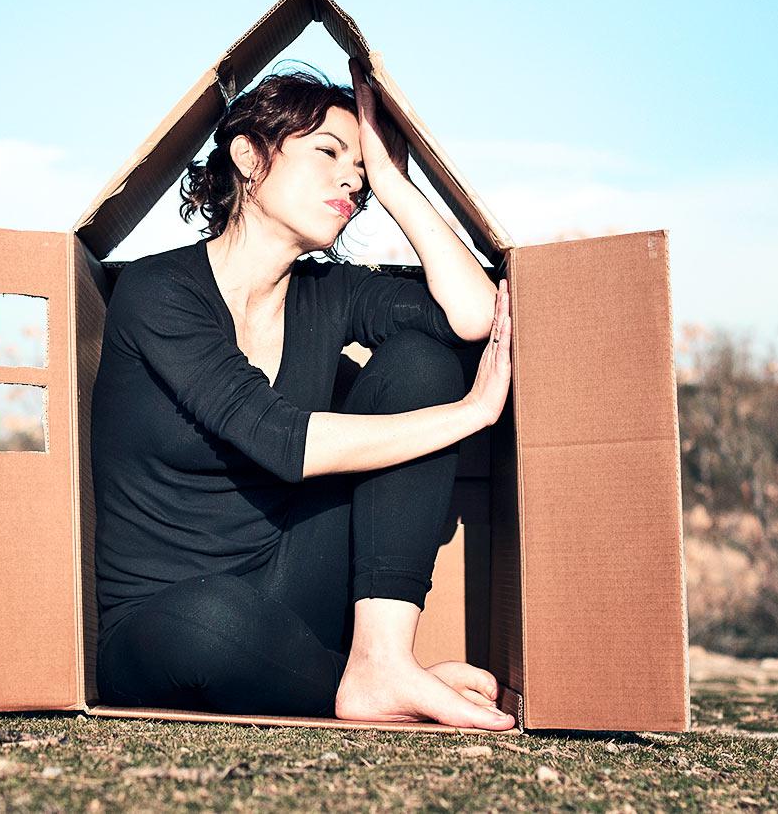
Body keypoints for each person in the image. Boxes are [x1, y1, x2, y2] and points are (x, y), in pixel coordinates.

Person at [91, 58, 515, 730]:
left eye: (361, 169)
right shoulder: (156, 292)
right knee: (217, 621)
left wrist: (397, 182)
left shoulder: (330, 292)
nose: (353, 178)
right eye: (329, 151)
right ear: (250, 156)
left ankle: (381, 660)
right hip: (166, 618)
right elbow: (279, 437)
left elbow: (476, 318)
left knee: (421, 363)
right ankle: (378, 686)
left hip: (295, 588)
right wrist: (470, 416)